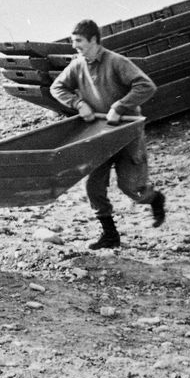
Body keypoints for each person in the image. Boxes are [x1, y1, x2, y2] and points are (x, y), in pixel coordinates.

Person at [49, 19, 165, 249]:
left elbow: (146, 86)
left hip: (126, 133)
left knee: (131, 187)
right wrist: (78, 103)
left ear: (93, 40)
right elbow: (57, 87)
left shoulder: (116, 62)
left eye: (79, 41)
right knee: (93, 187)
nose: (75, 46)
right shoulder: (77, 65)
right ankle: (110, 235)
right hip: (99, 135)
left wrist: (120, 107)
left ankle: (155, 199)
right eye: (73, 41)